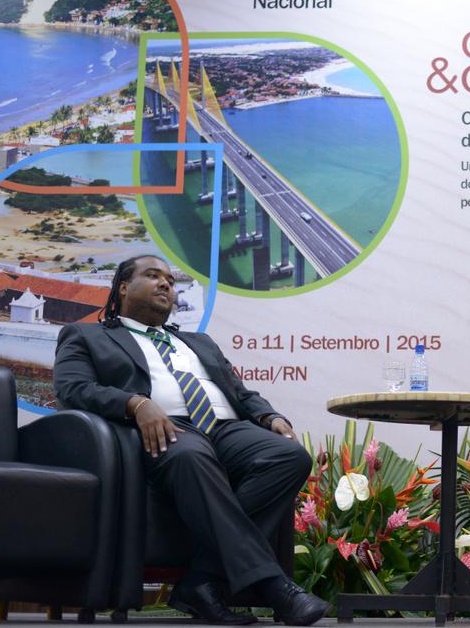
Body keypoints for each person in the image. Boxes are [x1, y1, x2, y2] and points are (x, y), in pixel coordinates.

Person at [54, 255, 327, 626]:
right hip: (164, 429)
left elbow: (240, 392)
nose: (166, 284)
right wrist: (135, 403)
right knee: (191, 456)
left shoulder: (198, 342)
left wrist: (270, 417)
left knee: (289, 456)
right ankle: (274, 586)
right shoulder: (88, 336)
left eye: (170, 280)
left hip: (225, 427)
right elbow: (72, 388)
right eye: (153, 276)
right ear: (123, 287)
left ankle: (202, 579)